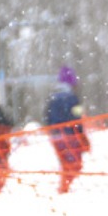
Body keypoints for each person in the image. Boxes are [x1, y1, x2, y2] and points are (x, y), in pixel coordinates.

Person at [45, 65, 90, 193]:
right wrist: (82, 136)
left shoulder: (52, 98)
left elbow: (47, 117)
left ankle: (64, 186)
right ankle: (64, 188)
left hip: (56, 137)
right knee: (75, 164)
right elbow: (77, 118)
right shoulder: (72, 98)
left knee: (66, 163)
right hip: (71, 136)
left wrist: (53, 131)